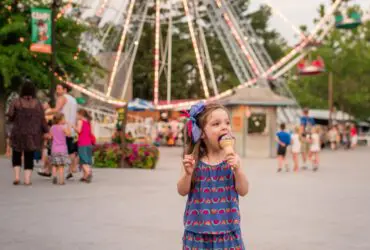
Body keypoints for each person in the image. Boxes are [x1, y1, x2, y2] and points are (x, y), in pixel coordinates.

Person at [177, 102, 248, 249]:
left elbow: (244, 190)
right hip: (197, 234)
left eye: (227, 123)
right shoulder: (193, 160)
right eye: (216, 124)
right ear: (202, 133)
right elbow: (182, 190)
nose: (224, 127)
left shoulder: (233, 159)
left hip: (228, 232)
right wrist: (188, 174)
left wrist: (238, 170)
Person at [6, 79, 49, 185]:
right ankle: (27, 179)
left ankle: (16, 177)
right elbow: (42, 119)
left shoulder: (16, 102)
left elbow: (10, 115)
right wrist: (46, 131)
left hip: (18, 131)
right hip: (32, 133)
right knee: (29, 155)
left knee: (16, 153)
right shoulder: (37, 103)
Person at [39, 83, 78, 178]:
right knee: (71, 151)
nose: (57, 91)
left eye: (59, 89)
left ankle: (48, 170)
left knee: (52, 150)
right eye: (57, 89)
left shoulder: (62, 98)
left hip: (60, 127)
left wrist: (47, 109)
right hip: (70, 128)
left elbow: (57, 110)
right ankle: (70, 170)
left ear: (65, 90)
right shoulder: (73, 100)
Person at [72, 109, 93, 183]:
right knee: (87, 160)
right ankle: (85, 176)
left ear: (80, 115)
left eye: (77, 114)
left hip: (82, 143)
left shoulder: (80, 121)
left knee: (83, 160)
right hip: (89, 143)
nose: (76, 116)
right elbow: (91, 132)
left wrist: (73, 127)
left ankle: (88, 172)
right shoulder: (88, 122)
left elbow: (79, 131)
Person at [50, 113, 71, 185]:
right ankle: (61, 181)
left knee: (54, 165)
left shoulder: (52, 127)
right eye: (64, 119)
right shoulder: (63, 127)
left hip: (54, 149)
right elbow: (69, 134)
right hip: (62, 149)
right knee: (61, 165)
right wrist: (68, 126)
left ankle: (54, 176)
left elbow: (51, 137)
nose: (65, 120)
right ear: (60, 120)